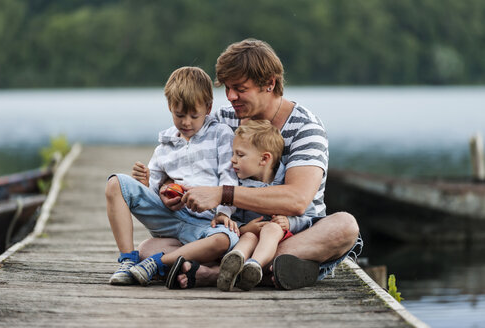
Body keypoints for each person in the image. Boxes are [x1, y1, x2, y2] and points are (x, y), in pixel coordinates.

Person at [139, 39, 362, 290]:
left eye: (240, 89)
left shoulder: (305, 128)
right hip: (231, 235)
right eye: (227, 88)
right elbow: (180, 156)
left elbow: (297, 199)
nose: (231, 97)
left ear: (270, 83)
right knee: (149, 249)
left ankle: (215, 272)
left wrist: (223, 194)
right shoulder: (222, 120)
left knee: (345, 227)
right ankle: (267, 269)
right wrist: (169, 188)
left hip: (288, 234)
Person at [105, 66, 240, 286]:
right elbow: (153, 194)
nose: (186, 122)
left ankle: (158, 263)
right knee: (115, 184)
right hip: (172, 219)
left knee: (225, 240)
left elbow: (228, 175)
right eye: (179, 115)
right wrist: (147, 183)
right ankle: (128, 260)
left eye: (194, 116)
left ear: (208, 107)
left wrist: (224, 212)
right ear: (170, 106)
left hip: (206, 225)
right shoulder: (164, 147)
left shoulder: (220, 134)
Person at [215, 120, 317, 291]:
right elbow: (233, 216)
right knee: (248, 237)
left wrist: (290, 223)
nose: (232, 160)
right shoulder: (238, 185)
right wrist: (245, 228)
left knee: (272, 229)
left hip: (282, 238)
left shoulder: (288, 182)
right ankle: (234, 262)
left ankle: (254, 266)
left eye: (239, 155)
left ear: (264, 159)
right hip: (249, 237)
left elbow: (310, 216)